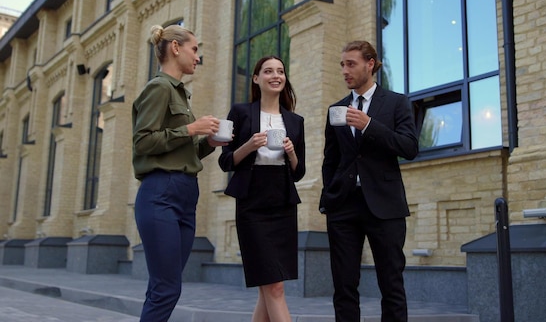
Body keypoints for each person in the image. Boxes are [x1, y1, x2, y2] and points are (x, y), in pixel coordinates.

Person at [132, 24, 228, 322]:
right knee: (167, 288)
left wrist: (209, 142)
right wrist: (191, 128)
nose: (198, 57)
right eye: (194, 49)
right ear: (176, 48)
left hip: (185, 195)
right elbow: (143, 142)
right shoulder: (158, 88)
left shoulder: (180, 93)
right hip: (161, 193)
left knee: (165, 286)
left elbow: (182, 150)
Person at [319, 40, 418, 322]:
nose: (345, 71)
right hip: (344, 206)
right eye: (342, 65)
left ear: (370, 64)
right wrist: (330, 196)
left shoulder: (397, 102)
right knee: (344, 286)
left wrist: (369, 125)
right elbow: (331, 159)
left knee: (391, 283)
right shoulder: (336, 110)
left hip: (385, 206)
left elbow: (409, 148)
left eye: (351, 64)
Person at [218, 56, 305, 322]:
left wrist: (290, 153)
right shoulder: (241, 112)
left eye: (280, 71)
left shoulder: (295, 121)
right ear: (257, 79)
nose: (275, 75)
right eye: (268, 71)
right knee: (274, 286)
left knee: (268, 288)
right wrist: (249, 146)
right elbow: (225, 161)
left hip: (282, 200)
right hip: (252, 201)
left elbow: (299, 172)